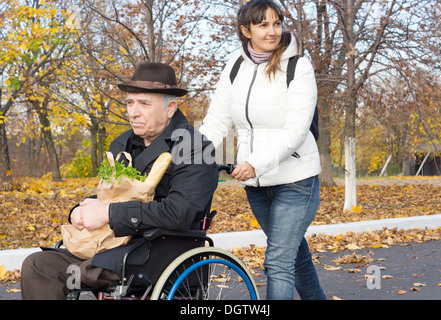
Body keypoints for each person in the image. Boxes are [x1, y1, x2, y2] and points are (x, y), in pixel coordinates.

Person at [21, 62, 218, 300]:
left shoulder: (195, 147)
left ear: (170, 108)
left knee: (85, 271)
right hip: (108, 243)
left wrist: (109, 214)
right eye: (129, 102)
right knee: (38, 265)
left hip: (159, 250)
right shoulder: (122, 144)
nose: (133, 112)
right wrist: (80, 211)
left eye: (144, 104)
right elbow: (109, 195)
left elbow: (180, 211)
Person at [199, 0, 325, 300]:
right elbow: (217, 120)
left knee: (278, 263)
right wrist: (187, 155)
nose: (273, 31)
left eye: (277, 23)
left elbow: (297, 129)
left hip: (296, 180)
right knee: (295, 255)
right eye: (264, 24)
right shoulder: (235, 67)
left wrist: (254, 162)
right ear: (246, 30)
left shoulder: (298, 66)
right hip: (257, 186)